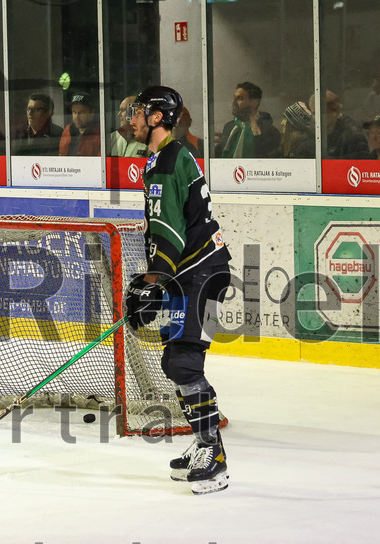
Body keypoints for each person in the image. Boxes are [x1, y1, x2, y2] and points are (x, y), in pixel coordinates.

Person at [125, 85, 232, 495]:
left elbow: (169, 236)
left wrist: (152, 284)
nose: (132, 118)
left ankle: (214, 456)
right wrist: (157, 282)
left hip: (203, 274)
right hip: (191, 273)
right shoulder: (166, 157)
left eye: (138, 111)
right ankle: (206, 443)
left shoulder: (167, 162)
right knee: (177, 363)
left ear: (156, 117)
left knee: (183, 363)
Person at [214, 81, 281, 158]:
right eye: (234, 98)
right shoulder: (229, 127)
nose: (234, 102)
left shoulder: (268, 131)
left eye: (240, 99)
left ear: (254, 103)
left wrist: (258, 135)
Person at [311, 90, 369, 160]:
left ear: (334, 112)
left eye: (322, 112)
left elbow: (360, 163)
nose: (317, 117)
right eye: (314, 113)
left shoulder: (352, 135)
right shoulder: (313, 133)